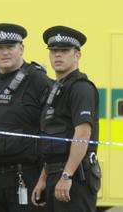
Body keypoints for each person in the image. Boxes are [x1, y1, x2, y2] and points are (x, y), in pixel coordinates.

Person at [0, 23, 50, 212]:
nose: (5, 53)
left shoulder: (38, 81)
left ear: (21, 48)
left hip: (25, 176)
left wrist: (45, 178)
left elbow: (52, 130)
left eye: (10, 47)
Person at [31, 26, 101, 212]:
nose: (58, 55)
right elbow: (52, 138)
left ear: (77, 55)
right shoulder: (56, 88)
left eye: (64, 51)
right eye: (54, 51)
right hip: (56, 172)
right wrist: (43, 178)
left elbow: (83, 133)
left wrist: (67, 176)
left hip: (75, 176)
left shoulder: (81, 88)